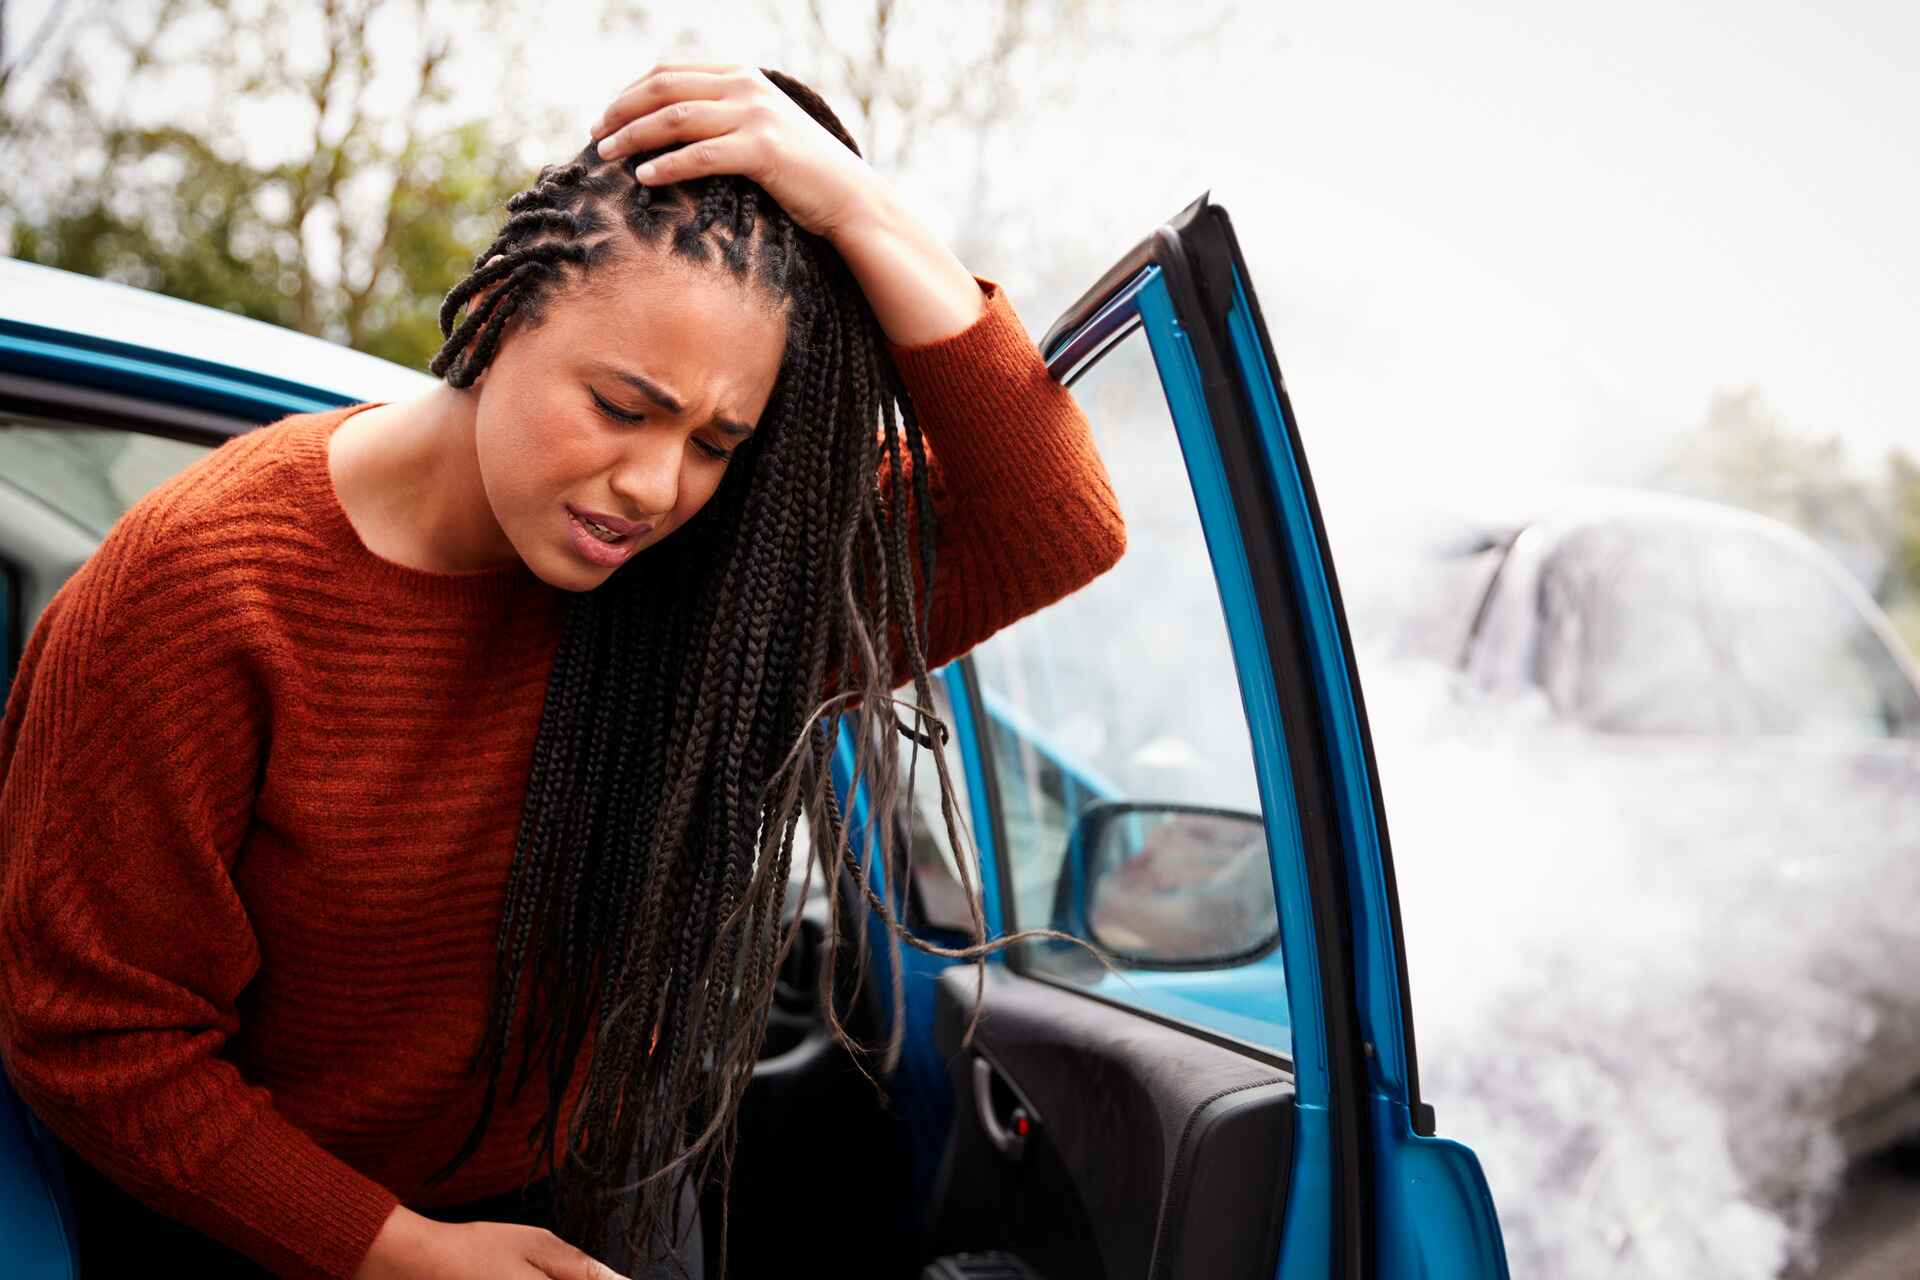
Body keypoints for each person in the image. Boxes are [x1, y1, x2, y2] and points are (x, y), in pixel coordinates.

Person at [0, 63, 1127, 1280]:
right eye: (618, 404)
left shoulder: (703, 591)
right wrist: (408, 1254)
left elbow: (1054, 517)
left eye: (713, 443)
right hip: (275, 1230)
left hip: (600, 1196)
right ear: (497, 313)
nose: (655, 486)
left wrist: (858, 207)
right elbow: (97, 1040)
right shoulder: (201, 590)